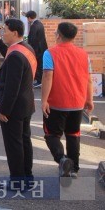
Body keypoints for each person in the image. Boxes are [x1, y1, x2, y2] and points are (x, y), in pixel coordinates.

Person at [41, 22, 94, 177]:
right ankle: (74, 168)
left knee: (52, 135)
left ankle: (62, 159)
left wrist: (44, 100)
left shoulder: (50, 53)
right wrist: (89, 99)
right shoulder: (84, 54)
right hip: (77, 103)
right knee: (73, 134)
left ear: (58, 35)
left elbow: (47, 76)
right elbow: (89, 79)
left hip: (56, 103)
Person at [0, 19, 36, 181]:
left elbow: (12, 87)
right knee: (24, 141)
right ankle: (27, 175)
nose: (3, 32)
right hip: (26, 104)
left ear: (15, 33)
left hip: (14, 108)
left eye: (5, 30)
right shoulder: (25, 47)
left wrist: (4, 110)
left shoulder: (16, 56)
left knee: (14, 145)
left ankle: (18, 179)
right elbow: (10, 55)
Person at [25, 11, 48, 88]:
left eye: (27, 18)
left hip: (37, 49)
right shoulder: (40, 24)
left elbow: (33, 39)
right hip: (42, 47)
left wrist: (30, 48)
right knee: (40, 64)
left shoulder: (34, 26)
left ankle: (39, 81)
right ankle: (39, 80)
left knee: (37, 64)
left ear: (29, 18)